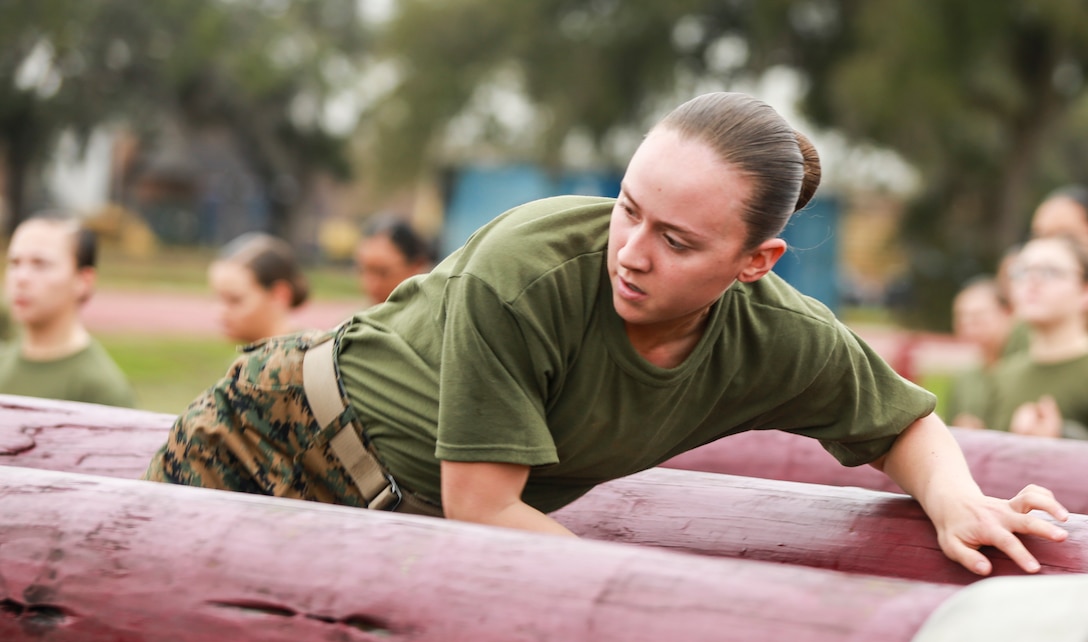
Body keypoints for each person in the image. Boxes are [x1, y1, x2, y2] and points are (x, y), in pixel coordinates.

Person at [144, 91, 1069, 578]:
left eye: (677, 240)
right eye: (629, 208)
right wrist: (657, 596)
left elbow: (899, 421)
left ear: (757, 261)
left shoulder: (778, 335)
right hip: (273, 442)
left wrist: (954, 501)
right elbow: (483, 509)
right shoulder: (531, 266)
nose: (630, 252)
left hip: (405, 521)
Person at [0, 210, 136, 407]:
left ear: (83, 280)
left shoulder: (102, 390)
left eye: (40, 264)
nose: (21, 278)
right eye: (14, 263)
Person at [980, 234, 1088, 438]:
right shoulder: (1002, 377)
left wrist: (1064, 435)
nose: (1032, 281)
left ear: (1084, 290)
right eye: (1021, 271)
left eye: (1050, 271)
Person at [207, 232, 310, 344]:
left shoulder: (307, 358)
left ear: (279, 295)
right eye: (218, 298)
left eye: (235, 300)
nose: (221, 311)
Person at [945, 276, 1015, 428]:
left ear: (1007, 312)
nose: (967, 323)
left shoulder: (1022, 372)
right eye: (961, 316)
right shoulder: (965, 379)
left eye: (978, 315)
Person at [354, 215, 433, 304]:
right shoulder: (356, 315)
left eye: (383, 272)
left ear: (417, 266)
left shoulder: (437, 314)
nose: (371, 285)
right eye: (363, 271)